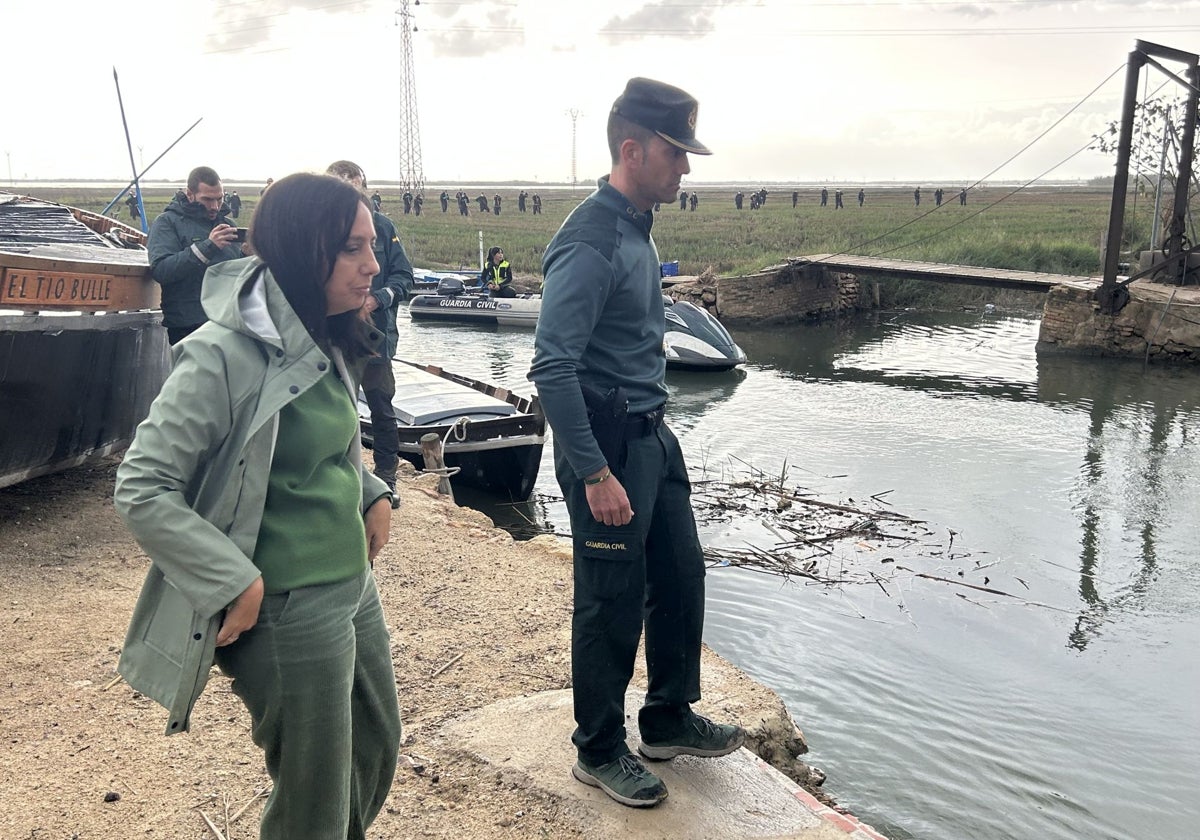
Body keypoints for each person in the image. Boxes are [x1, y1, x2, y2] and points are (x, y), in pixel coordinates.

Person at [114, 172, 401, 839]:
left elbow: (306, 443)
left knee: (374, 752)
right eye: (353, 248)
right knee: (314, 801)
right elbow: (142, 483)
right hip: (287, 608)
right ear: (307, 251)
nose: (373, 263)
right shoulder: (222, 354)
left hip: (349, 585)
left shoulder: (324, 327)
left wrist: (368, 488)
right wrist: (231, 579)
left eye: (371, 246)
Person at [528, 77, 745, 810]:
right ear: (634, 149)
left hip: (652, 437)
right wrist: (593, 471)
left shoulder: (635, 228)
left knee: (680, 577)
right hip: (608, 449)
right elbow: (551, 368)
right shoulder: (590, 240)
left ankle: (667, 718)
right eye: (676, 152)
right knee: (610, 603)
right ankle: (597, 749)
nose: (685, 168)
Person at [326, 160, 415, 501]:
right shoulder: (320, 229)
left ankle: (386, 479)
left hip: (376, 337)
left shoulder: (382, 225)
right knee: (334, 406)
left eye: (355, 185)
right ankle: (339, 477)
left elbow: (403, 277)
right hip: (333, 335)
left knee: (381, 406)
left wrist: (376, 300)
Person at [148, 165, 245, 344]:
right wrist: (208, 247)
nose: (215, 206)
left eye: (219, 199)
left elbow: (237, 274)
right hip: (189, 327)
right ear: (189, 194)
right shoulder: (167, 223)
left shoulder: (227, 224)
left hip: (227, 325)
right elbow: (161, 270)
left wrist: (248, 254)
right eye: (207, 199)